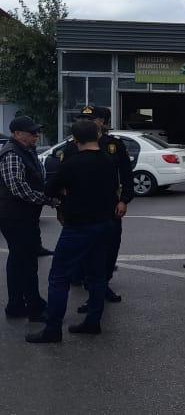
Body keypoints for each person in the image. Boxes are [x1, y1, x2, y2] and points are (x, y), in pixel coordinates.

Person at [27, 119, 119, 343]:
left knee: (59, 277)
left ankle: (53, 329)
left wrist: (65, 194)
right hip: (104, 225)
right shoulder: (108, 161)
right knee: (97, 277)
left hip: (78, 226)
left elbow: (50, 189)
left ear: (75, 140)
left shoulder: (71, 164)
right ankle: (93, 322)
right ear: (97, 136)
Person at [59, 105, 133, 309]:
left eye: (90, 119)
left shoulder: (114, 146)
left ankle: (102, 286)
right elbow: (62, 180)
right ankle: (92, 294)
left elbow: (126, 175)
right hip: (80, 211)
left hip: (110, 208)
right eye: (82, 118)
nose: (85, 122)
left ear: (101, 122)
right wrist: (62, 208)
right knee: (85, 253)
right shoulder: (73, 146)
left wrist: (124, 200)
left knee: (110, 250)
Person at [0, 116, 58, 321]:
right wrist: (48, 200)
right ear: (17, 134)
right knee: (25, 261)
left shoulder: (27, 150)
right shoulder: (12, 154)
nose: (36, 135)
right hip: (14, 216)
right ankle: (33, 306)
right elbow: (18, 188)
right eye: (31, 133)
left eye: (36, 132)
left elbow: (38, 178)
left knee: (20, 259)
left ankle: (17, 305)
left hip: (24, 215)